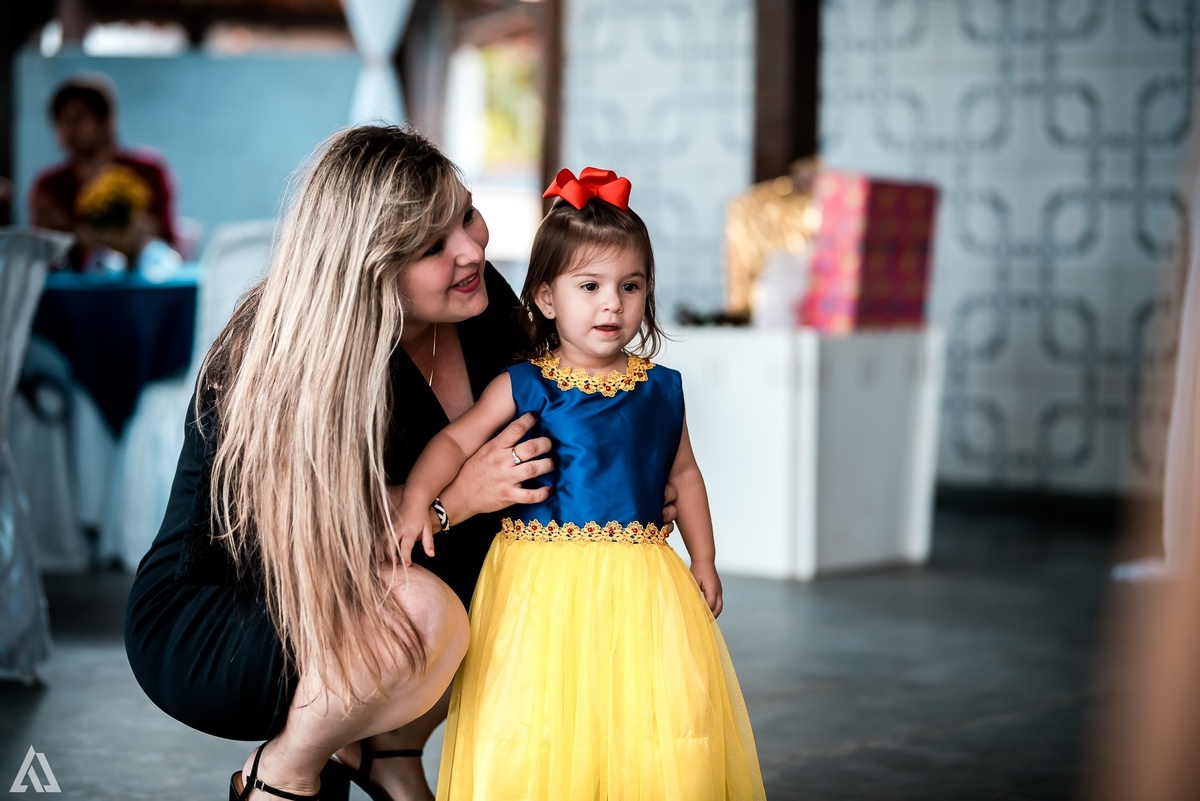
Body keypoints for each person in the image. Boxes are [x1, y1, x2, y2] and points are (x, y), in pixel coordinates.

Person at [125, 125, 592, 801]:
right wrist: (454, 497)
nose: (471, 248)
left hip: (357, 593)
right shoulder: (283, 360)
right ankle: (282, 771)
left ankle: (386, 753)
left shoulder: (473, 301)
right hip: (229, 615)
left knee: (544, 577)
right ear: (370, 267)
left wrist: (619, 481)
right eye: (433, 246)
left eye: (466, 213)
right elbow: (313, 549)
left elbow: (540, 425)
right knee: (426, 610)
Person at [395, 167, 767, 799]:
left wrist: (702, 558)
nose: (610, 304)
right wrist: (413, 502)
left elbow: (686, 475)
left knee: (642, 711)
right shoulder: (525, 383)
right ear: (544, 297)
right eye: (589, 285)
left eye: (631, 286)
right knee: (541, 710)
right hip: (539, 582)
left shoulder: (660, 388)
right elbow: (455, 441)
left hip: (641, 582)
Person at [29, 74, 178, 270]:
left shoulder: (148, 173)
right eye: (60, 121)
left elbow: (164, 245)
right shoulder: (49, 185)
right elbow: (40, 256)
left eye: (78, 118)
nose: (68, 129)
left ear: (106, 120)